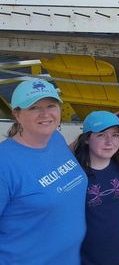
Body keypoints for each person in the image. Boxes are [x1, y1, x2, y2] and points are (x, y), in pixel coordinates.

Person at [0, 78, 87, 264]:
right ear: (16, 114)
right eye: (34, 108)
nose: (45, 114)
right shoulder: (4, 164)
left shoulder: (56, 138)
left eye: (51, 105)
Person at [74, 110, 119, 265]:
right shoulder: (74, 173)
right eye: (101, 135)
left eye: (115, 135)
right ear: (87, 139)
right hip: (83, 256)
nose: (110, 142)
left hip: (114, 252)